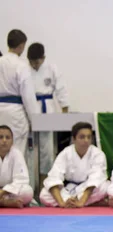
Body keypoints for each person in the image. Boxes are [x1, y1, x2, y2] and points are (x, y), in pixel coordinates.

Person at [27, 42, 69, 184]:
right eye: (31, 62)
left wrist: (64, 110)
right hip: (30, 107)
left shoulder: (52, 68)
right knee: (30, 149)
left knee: (47, 151)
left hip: (47, 109)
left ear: (43, 58)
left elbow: (61, 89)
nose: (34, 65)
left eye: (37, 62)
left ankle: (46, 184)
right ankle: (30, 185)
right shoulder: (24, 69)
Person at [40, 122, 109, 208]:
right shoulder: (66, 153)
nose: (86, 140)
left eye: (89, 137)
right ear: (73, 139)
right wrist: (61, 203)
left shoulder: (98, 154)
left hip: (87, 190)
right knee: (44, 194)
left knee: (105, 187)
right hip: (69, 190)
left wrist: (81, 202)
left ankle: (75, 202)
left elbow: (95, 179)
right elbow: (54, 177)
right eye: (82, 137)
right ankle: (76, 202)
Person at [0, 30, 40, 154]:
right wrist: (35, 119)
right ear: (22, 45)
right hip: (15, 114)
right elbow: (28, 96)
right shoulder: (21, 65)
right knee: (15, 153)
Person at [0, 125, 34, 208]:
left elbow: (21, 179)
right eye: (0, 137)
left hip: (9, 192)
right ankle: (5, 203)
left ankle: (4, 201)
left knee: (27, 192)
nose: (4, 140)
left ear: (12, 141)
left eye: (7, 138)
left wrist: (3, 192)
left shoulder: (16, 154)